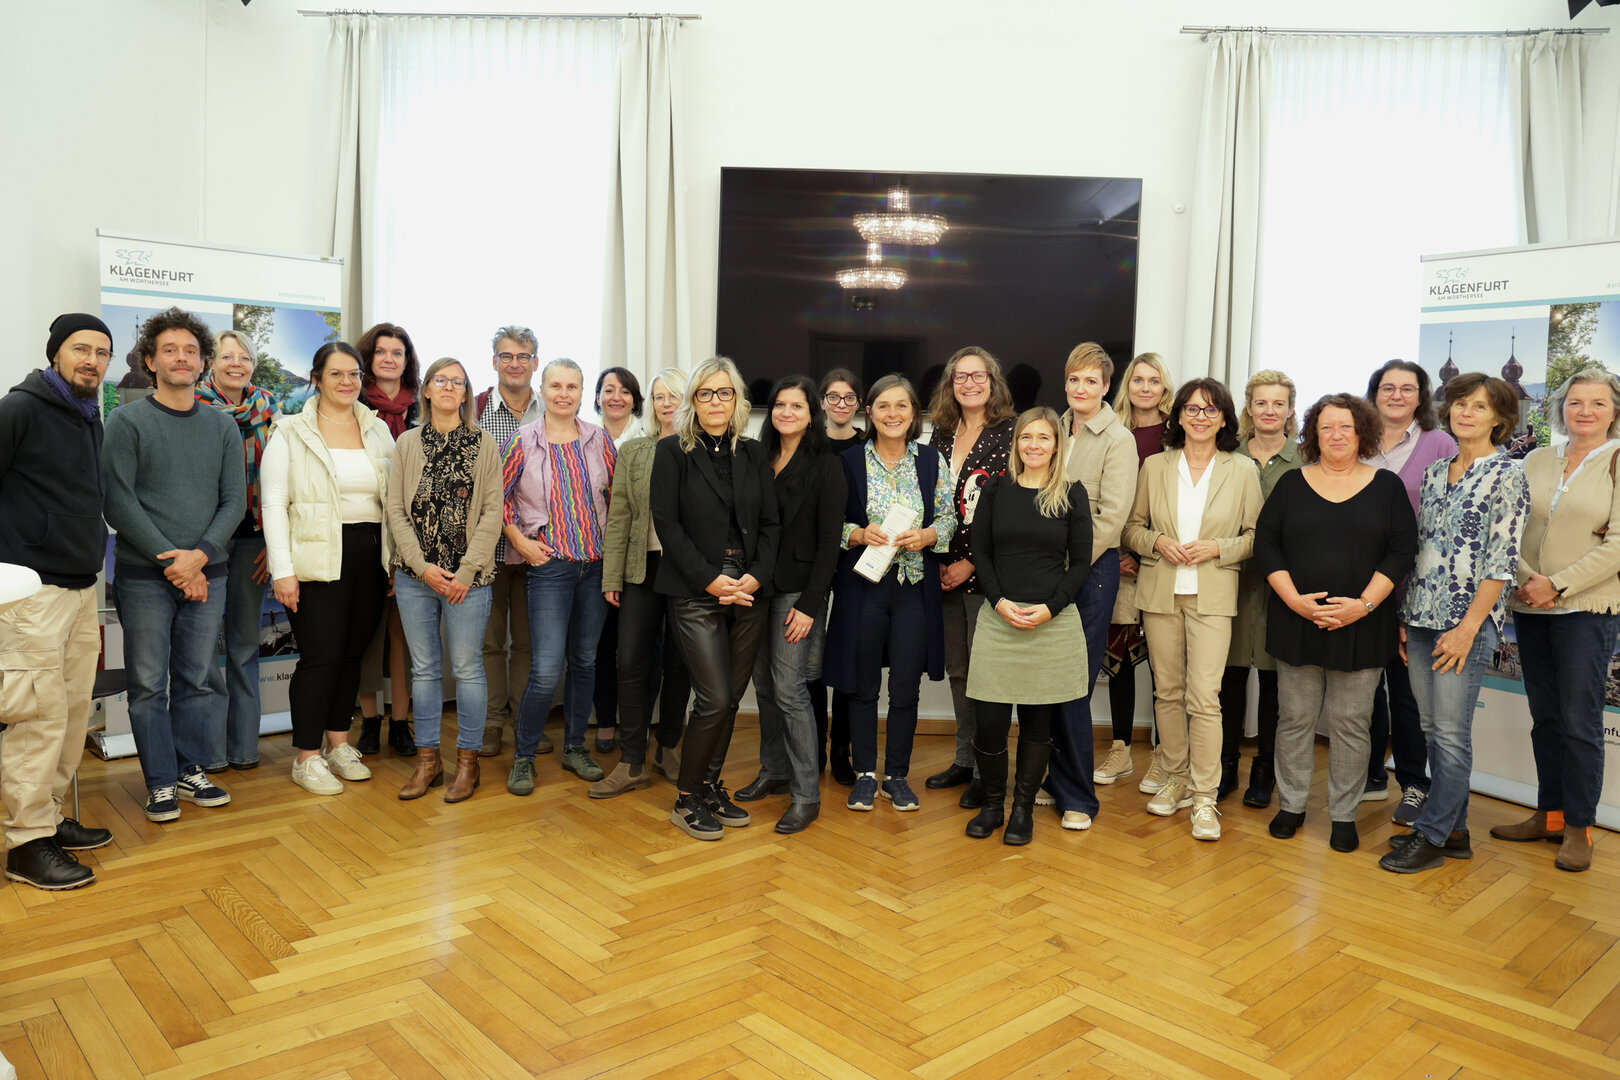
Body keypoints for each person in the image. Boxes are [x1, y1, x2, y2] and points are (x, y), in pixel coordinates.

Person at [1381, 374, 1529, 874]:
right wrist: (1405, 617)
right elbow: (1422, 549)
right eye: (1460, 403)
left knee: (1449, 735)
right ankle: (1457, 832)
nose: (1466, 412)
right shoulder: (1436, 470)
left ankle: (1432, 833)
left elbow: (1501, 563)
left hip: (1464, 625)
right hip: (1420, 619)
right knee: (1431, 729)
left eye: (1479, 406)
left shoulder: (1508, 474)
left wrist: (1469, 627)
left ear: (1499, 419)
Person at [103, 308, 247, 822]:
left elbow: (234, 502)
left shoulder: (223, 427)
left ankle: (189, 768)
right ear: (150, 360)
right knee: (147, 684)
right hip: (146, 578)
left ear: (203, 362)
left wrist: (200, 557)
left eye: (190, 350)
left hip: (210, 573)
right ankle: (160, 782)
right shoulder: (126, 422)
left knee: (196, 679)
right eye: (170, 350)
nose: (181, 358)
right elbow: (118, 504)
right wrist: (176, 564)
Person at [1257, 394, 1416, 852]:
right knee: (1294, 720)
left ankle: (1344, 815)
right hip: (1297, 620)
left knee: (1351, 723)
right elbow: (1267, 546)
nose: (1337, 435)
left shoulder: (1386, 486)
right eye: (1327, 427)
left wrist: (1362, 606)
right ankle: (1291, 806)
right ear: (1313, 435)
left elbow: (1402, 551)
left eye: (1345, 427)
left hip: (1363, 624)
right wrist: (1296, 602)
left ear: (1362, 432)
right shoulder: (1291, 483)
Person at [0, 314, 116, 889]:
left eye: (101, 351)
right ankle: (25, 844)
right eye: (80, 349)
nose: (91, 359)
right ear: (55, 353)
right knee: (37, 719)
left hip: (79, 586)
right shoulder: (18, 410)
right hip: (31, 592)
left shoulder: (90, 415)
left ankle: (48, 817)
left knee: (71, 713)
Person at [1121, 377, 1261, 841]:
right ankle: (1176, 778)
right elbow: (1132, 529)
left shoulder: (1241, 470)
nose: (1201, 417)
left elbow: (1257, 537)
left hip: (1213, 595)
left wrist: (1217, 548)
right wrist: (1157, 541)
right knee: (1168, 692)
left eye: (1210, 409)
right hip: (1160, 591)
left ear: (1224, 418)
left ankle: (1205, 796)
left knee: (1205, 697)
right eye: (1193, 409)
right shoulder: (1155, 466)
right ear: (1177, 415)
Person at [1496, 369, 1620, 871]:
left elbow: (1616, 546)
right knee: (1545, 718)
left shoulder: (1616, 461)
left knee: (1579, 723)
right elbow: (1512, 525)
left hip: (1584, 610)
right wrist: (1530, 578)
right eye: (1575, 402)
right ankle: (1547, 815)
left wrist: (1559, 584)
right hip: (1530, 604)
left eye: (1597, 403)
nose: (1584, 411)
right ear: (1561, 408)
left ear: (1614, 411)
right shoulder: (1536, 459)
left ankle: (1578, 827)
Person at [650, 357, 779, 840]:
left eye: (724, 393)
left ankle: (707, 786)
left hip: (747, 590)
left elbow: (770, 525)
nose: (716, 402)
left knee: (728, 702)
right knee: (714, 697)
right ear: (693, 401)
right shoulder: (673, 453)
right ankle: (686, 799)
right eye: (706, 393)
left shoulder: (752, 454)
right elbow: (668, 525)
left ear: (737, 400)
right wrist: (709, 580)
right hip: (694, 589)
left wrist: (755, 578)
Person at [261, 341, 393, 796]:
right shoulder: (291, 432)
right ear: (316, 378)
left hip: (369, 552)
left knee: (353, 654)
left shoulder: (376, 430)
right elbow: (274, 504)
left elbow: (392, 500)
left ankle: (338, 744)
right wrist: (283, 570)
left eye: (354, 374)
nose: (347, 382)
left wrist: (393, 561)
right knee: (320, 657)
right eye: (336, 374)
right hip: (316, 556)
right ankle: (306, 756)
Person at [825, 375, 956, 815]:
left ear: (914, 412)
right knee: (862, 685)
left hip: (913, 588)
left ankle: (896, 776)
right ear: (870, 411)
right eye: (883, 406)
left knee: (904, 687)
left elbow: (949, 518)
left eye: (902, 406)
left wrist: (930, 534)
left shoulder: (931, 460)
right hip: (864, 588)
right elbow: (830, 525)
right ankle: (865, 774)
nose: (893, 414)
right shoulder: (848, 462)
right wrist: (859, 532)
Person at [965, 408, 1093, 844]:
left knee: (1039, 726)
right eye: (1026, 438)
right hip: (999, 620)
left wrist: (1050, 609)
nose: (1034, 445)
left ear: (1057, 444)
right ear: (1016, 443)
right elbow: (979, 553)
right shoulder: (997, 489)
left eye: (1043, 438)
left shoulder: (1072, 494)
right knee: (989, 724)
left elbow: (1080, 565)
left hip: (1049, 625)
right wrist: (999, 602)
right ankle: (991, 806)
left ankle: (1022, 811)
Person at [733, 376, 847, 834]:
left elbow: (828, 543)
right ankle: (774, 770)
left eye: (795, 406)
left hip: (797, 593)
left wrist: (811, 604)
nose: (785, 413)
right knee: (762, 686)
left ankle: (806, 794)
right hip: (755, 586)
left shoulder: (826, 464)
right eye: (779, 405)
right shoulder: (758, 457)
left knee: (790, 689)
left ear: (811, 412)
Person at [386, 357, 501, 801]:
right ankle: (428, 762)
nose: (450, 387)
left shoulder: (484, 444)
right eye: (441, 380)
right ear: (427, 390)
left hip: (468, 581)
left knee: (468, 670)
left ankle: (468, 764)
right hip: (418, 578)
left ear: (466, 393)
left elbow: (493, 512)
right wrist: (420, 566)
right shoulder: (407, 443)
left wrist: (466, 572)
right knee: (426, 669)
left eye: (458, 381)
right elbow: (395, 509)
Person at [503, 358, 616, 793]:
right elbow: (502, 500)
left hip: (595, 566)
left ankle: (574, 748)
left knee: (584, 662)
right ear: (543, 391)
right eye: (555, 385)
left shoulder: (599, 439)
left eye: (571, 386)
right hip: (549, 568)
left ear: (581, 392)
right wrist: (524, 542)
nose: (563, 393)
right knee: (547, 669)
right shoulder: (522, 440)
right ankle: (524, 755)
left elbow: (616, 498)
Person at [1048, 342, 1136, 831]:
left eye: (1091, 381)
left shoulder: (1118, 439)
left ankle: (1079, 796)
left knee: (1075, 684)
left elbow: (1113, 517)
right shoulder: (1051, 428)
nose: (1081, 388)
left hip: (1090, 571)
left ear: (1106, 386)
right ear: (1065, 383)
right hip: (1045, 571)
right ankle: (1049, 781)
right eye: (1074, 379)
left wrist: (1066, 559)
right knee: (1047, 680)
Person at [923, 347, 1016, 807]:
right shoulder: (939, 433)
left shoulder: (1012, 433)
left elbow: (1013, 507)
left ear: (993, 381)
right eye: (961, 376)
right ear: (950, 383)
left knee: (986, 676)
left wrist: (972, 562)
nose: (970, 384)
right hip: (941, 568)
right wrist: (939, 558)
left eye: (979, 376)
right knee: (958, 670)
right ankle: (964, 758)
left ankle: (987, 768)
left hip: (987, 572)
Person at [1365, 359, 1456, 820]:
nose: (1396, 395)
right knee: (1362, 686)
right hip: (1361, 585)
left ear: (1422, 396)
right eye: (1387, 387)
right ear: (1374, 393)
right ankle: (1370, 775)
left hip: (1416, 587)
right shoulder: (1357, 440)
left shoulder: (1441, 444)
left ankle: (1415, 784)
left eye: (1407, 388)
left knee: (1406, 692)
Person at [596, 367, 693, 797]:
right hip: (640, 568)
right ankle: (632, 758)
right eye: (658, 397)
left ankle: (668, 746)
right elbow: (620, 516)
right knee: (630, 661)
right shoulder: (634, 451)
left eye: (674, 395)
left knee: (679, 663)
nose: (666, 403)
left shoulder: (701, 450)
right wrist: (611, 575)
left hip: (688, 573)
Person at [1218, 370, 1302, 807]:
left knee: (1275, 686)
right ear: (1249, 408)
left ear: (1290, 410)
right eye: (1261, 402)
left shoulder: (1306, 459)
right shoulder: (1226, 454)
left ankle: (1265, 771)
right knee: (1227, 680)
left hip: (1284, 587)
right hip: (1229, 580)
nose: (1270, 411)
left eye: (1279, 403)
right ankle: (1226, 766)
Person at [196, 330, 277, 773]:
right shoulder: (193, 406)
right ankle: (209, 754)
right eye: (227, 356)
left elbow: (284, 481)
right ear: (212, 363)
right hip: (207, 543)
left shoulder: (268, 409)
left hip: (252, 541)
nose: (236, 363)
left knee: (245, 647)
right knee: (205, 650)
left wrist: (274, 544)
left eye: (244, 357)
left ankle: (245, 749)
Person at [1099, 352, 1177, 793]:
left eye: (1154, 380)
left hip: (1163, 558)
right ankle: (1122, 749)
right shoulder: (1114, 432)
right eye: (1138, 380)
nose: (1145, 388)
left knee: (1166, 664)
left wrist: (1148, 550)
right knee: (1119, 662)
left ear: (1164, 387)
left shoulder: (1178, 433)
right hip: (1119, 559)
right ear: (1126, 384)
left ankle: (1166, 755)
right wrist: (1118, 553)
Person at [475, 325, 543, 757]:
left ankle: (525, 724)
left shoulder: (553, 408)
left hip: (539, 550)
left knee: (530, 643)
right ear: (494, 361)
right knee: (488, 642)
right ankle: (492, 724)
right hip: (487, 548)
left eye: (522, 356)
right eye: (506, 356)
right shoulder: (477, 410)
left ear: (535, 361)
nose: (514, 363)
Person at [355, 322, 421, 757]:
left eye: (397, 353)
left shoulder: (424, 409)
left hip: (415, 538)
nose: (389, 359)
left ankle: (400, 722)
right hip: (366, 533)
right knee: (366, 633)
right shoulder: (353, 406)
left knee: (403, 635)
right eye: (381, 352)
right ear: (369, 358)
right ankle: (369, 721)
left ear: (407, 361)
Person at [590, 365, 646, 756]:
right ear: (597, 397)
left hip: (636, 557)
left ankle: (638, 723)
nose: (616, 397)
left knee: (637, 649)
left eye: (625, 391)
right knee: (600, 645)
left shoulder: (648, 440)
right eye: (608, 389)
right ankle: (605, 721)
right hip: (593, 555)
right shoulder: (582, 438)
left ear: (635, 400)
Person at [813, 368, 864, 786]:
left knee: (847, 659)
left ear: (859, 404)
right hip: (813, 562)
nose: (841, 404)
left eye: (849, 398)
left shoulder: (870, 445)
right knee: (809, 661)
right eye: (834, 397)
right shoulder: (809, 442)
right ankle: (812, 747)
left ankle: (841, 750)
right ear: (823, 401)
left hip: (855, 564)